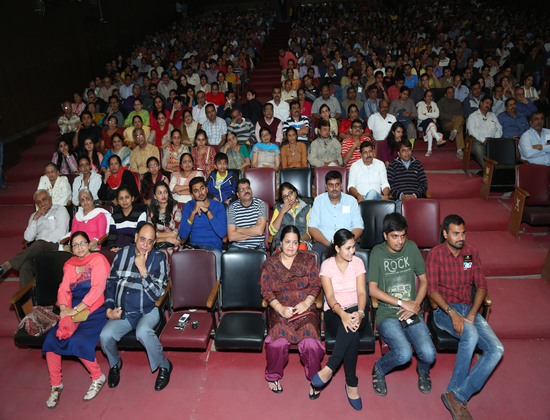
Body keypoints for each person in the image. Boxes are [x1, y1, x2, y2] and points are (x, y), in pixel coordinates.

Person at [427, 214, 504, 420]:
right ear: (445, 234)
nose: (461, 237)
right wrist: (452, 314)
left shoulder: (471, 253)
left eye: (463, 233)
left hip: (469, 309)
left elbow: (481, 286)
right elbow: (432, 291)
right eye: (456, 233)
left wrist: (472, 313)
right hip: (444, 310)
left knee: (497, 349)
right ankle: (456, 396)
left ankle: (457, 395)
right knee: (470, 333)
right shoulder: (435, 255)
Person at [367, 213, 435, 397]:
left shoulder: (411, 248)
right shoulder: (377, 252)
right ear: (385, 235)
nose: (400, 241)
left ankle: (423, 370)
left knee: (429, 353)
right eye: (395, 236)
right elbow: (372, 290)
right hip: (388, 314)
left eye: (403, 236)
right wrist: (402, 302)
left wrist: (416, 304)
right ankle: (379, 368)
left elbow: (424, 281)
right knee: (404, 354)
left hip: (411, 312)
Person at [42, 231, 110, 408]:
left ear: (89, 244)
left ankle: (97, 377)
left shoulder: (97, 260)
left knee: (79, 340)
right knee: (53, 339)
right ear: (71, 249)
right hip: (73, 308)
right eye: (75, 245)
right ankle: (56, 385)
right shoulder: (70, 265)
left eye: (83, 243)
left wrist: (75, 310)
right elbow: (63, 289)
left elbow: (98, 289)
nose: (80, 247)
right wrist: (64, 308)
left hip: (95, 308)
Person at [100, 223, 172, 391]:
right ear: (135, 237)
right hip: (123, 312)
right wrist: (109, 309)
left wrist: (142, 270)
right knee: (105, 336)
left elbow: (156, 295)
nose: (145, 245)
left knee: (143, 332)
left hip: (147, 310)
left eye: (150, 241)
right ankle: (115, 363)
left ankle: (164, 364)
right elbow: (111, 283)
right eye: (142, 239)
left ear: (154, 243)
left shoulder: (159, 259)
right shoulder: (121, 254)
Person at [260, 225, 323, 398]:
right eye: (287, 242)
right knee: (277, 343)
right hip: (281, 309)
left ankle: (315, 377)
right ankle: (273, 376)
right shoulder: (271, 264)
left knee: (311, 344)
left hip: (305, 309)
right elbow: (266, 290)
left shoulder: (308, 260)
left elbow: (316, 284)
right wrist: (279, 308)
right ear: (280, 243)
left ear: (299, 244)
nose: (291, 246)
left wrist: (307, 302)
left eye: (295, 242)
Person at [311, 228, 367, 411]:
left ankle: (329, 368)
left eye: (353, 247)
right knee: (352, 333)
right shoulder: (327, 265)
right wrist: (342, 314)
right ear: (337, 248)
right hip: (334, 312)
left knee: (351, 326)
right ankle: (351, 384)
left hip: (357, 309)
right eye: (348, 248)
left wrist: (360, 313)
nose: (353, 251)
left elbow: (362, 292)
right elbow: (329, 296)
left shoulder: (358, 263)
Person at [0, 190, 69, 287]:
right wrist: (35, 218)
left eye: (44, 199)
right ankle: (26, 296)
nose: (42, 204)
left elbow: (61, 231)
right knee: (25, 265)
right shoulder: (34, 216)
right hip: (37, 251)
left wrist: (41, 244)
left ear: (50, 198)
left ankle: (7, 265)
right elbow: (28, 237)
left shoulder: (60, 210)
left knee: (39, 244)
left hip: (54, 246)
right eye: (39, 202)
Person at [179, 177, 227, 276]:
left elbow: (222, 233)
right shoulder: (189, 206)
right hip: (195, 247)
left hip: (214, 249)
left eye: (202, 188)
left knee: (216, 266)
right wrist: (193, 213)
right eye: (196, 191)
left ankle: (216, 286)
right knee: (181, 258)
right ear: (192, 195)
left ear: (207, 189)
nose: (200, 193)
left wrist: (208, 212)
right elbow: (183, 235)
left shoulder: (218, 206)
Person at [308, 171, 363, 256]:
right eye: (331, 185)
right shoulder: (319, 201)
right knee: (315, 256)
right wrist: (329, 245)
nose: (334, 188)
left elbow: (358, 227)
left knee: (360, 257)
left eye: (337, 184)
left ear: (341, 185)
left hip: (347, 243)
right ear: (326, 186)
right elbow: (312, 228)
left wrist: (346, 243)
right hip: (324, 243)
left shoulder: (351, 201)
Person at [226, 178, 268, 251]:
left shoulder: (260, 204)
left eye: (248, 188)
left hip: (257, 248)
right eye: (242, 189)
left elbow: (259, 231)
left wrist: (238, 229)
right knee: (227, 256)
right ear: (238, 194)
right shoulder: (233, 207)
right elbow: (231, 237)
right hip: (237, 247)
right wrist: (253, 231)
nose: (246, 191)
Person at [269, 183, 312, 251]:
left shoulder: (306, 208)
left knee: (301, 247)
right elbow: (273, 231)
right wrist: (282, 211)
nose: (289, 198)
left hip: (301, 242)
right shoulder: (279, 208)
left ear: (295, 193)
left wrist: (297, 240)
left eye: (290, 194)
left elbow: (309, 234)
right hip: (283, 244)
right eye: (285, 196)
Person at [387, 139, 428, 209]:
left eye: (409, 149)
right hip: (400, 200)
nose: (407, 152)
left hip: (416, 199)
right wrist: (401, 196)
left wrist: (415, 195)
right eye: (404, 150)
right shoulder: (393, 165)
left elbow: (424, 184)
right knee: (401, 211)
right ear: (398, 153)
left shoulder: (417, 164)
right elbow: (389, 184)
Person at [148, 181, 182, 259]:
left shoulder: (176, 208)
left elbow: (175, 234)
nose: (163, 195)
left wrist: (156, 235)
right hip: (157, 245)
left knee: (161, 256)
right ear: (155, 196)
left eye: (165, 192)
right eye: (159, 193)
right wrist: (166, 238)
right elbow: (150, 235)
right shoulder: (152, 211)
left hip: (173, 245)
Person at [106, 187, 147, 253]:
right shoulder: (115, 216)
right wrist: (113, 247)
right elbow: (112, 236)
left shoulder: (141, 214)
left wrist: (125, 249)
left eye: (127, 197)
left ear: (132, 198)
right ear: (118, 201)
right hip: (117, 248)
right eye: (121, 198)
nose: (124, 200)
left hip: (133, 247)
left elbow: (139, 236)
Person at [466, 97, 503, 169]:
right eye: (487, 103)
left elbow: (499, 128)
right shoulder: (473, 116)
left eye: (490, 104)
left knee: (505, 148)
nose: (488, 105)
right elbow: (472, 131)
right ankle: (489, 172)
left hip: (493, 141)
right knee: (479, 150)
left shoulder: (493, 115)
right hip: (478, 141)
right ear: (481, 103)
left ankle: (501, 170)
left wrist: (495, 139)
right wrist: (484, 140)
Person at [438, 87, 466, 159]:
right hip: (447, 123)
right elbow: (440, 113)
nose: (451, 94)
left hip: (457, 121)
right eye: (449, 92)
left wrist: (456, 118)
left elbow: (462, 113)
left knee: (460, 120)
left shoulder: (457, 101)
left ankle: (455, 131)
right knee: (460, 125)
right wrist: (451, 118)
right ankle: (459, 150)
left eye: (452, 92)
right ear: (445, 94)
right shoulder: (441, 102)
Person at [416, 90, 446, 157]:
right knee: (430, 121)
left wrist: (426, 114)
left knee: (430, 127)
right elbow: (420, 116)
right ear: (424, 98)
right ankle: (438, 138)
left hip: (431, 125)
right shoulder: (420, 104)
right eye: (427, 95)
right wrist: (431, 116)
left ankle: (429, 150)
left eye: (431, 95)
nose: (429, 97)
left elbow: (437, 115)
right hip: (422, 124)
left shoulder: (434, 104)